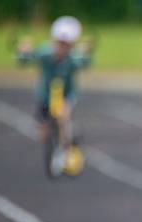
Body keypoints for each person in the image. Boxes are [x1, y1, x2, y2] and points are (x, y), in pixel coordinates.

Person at [16, 15, 92, 168]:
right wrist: (23, 51)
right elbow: (24, 60)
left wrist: (87, 51)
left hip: (66, 94)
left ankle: (65, 149)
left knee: (64, 114)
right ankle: (59, 137)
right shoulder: (44, 54)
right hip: (45, 96)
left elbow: (85, 62)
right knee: (42, 133)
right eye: (60, 43)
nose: (62, 48)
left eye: (67, 45)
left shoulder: (73, 58)